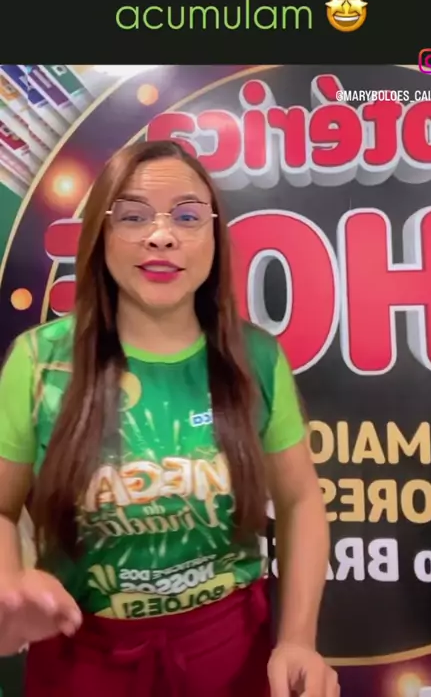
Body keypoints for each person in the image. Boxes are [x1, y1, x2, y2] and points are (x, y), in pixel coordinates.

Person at [0, 140, 338, 697]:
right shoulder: (40, 361)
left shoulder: (254, 358)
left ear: (214, 236)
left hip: (229, 659)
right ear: (101, 234)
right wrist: (9, 580)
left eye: (187, 216)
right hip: (82, 660)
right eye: (133, 216)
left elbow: (301, 500)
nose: (161, 236)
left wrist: (299, 640)